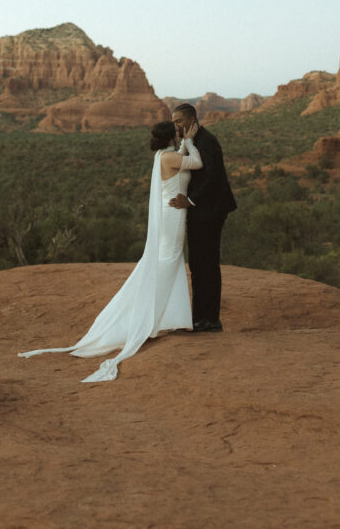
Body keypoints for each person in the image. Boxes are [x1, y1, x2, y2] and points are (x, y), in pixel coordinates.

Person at [18, 120, 202, 383]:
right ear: (169, 137)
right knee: (170, 261)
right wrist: (191, 141)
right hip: (173, 215)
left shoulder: (162, 155)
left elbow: (182, 159)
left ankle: (161, 317)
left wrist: (183, 143)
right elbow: (196, 163)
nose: (179, 133)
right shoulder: (170, 157)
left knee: (169, 261)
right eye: (176, 132)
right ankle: (154, 318)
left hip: (172, 211)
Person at [170, 103, 236, 332]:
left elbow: (214, 177)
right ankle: (200, 317)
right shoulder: (192, 141)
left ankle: (210, 319)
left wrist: (190, 200)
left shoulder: (207, 141)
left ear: (191, 119)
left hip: (211, 210)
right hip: (199, 211)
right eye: (174, 122)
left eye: (179, 121)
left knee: (207, 263)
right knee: (198, 264)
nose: (176, 125)